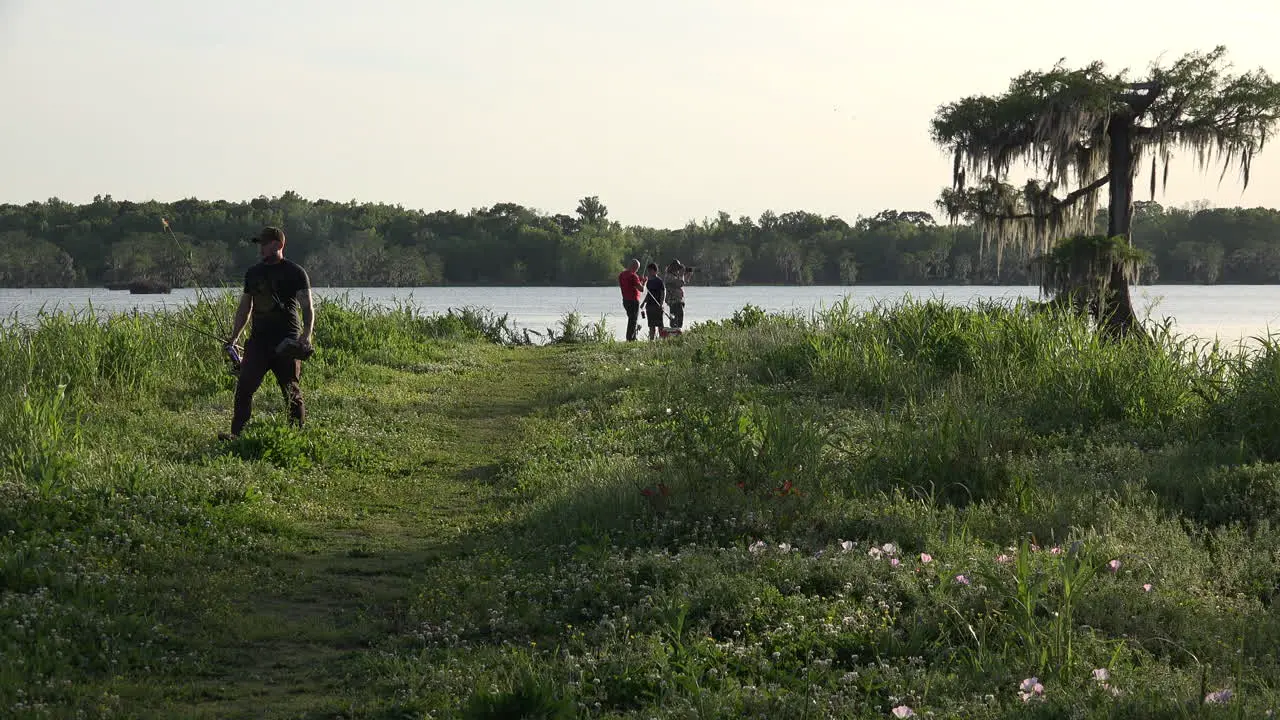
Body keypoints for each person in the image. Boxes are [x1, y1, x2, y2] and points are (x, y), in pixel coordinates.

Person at [220, 226, 314, 440]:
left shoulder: (295, 272)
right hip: (258, 342)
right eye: (260, 244)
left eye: (265, 244)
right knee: (244, 388)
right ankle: (237, 436)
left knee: (291, 390)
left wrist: (306, 336)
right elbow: (245, 308)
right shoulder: (253, 273)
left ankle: (296, 436)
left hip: (287, 341)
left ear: (279, 245)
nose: (261, 248)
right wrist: (234, 337)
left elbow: (308, 308)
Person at [617, 258, 645, 341]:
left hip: (625, 300)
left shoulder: (621, 275)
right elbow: (641, 289)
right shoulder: (633, 276)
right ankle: (630, 338)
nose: (637, 270)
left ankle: (632, 337)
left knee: (631, 319)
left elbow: (630, 285)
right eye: (637, 268)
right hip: (633, 300)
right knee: (633, 320)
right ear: (635, 267)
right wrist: (644, 282)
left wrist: (639, 281)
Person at [665, 259, 689, 329]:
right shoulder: (669, 276)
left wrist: (685, 275)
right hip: (674, 301)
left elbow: (683, 282)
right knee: (675, 318)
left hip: (678, 301)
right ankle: (674, 332)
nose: (678, 270)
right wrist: (681, 275)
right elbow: (680, 284)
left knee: (678, 318)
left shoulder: (674, 276)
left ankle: (677, 331)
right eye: (677, 268)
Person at [643, 262, 665, 340]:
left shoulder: (659, 281)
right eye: (648, 271)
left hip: (657, 306)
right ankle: (651, 341)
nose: (648, 272)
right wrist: (643, 303)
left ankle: (662, 340)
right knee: (651, 326)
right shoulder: (648, 282)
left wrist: (661, 304)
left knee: (660, 325)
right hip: (649, 306)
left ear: (655, 271)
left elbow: (663, 293)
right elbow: (648, 294)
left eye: (650, 270)